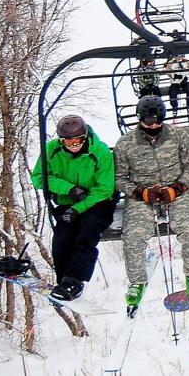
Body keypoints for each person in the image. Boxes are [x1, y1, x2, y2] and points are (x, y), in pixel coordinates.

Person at [114, 95, 189, 307]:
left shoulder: (178, 137)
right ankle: (137, 281)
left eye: (158, 121)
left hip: (175, 192)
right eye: (149, 122)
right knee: (134, 235)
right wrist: (139, 192)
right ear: (140, 119)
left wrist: (179, 187)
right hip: (143, 195)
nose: (154, 125)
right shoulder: (126, 144)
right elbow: (119, 178)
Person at [30, 115, 117, 301]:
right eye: (68, 141)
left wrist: (79, 207)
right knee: (62, 238)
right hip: (67, 201)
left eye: (77, 140)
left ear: (85, 137)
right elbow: (39, 178)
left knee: (86, 233)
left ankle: (75, 280)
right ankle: (63, 283)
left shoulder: (100, 152)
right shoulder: (51, 151)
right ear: (61, 141)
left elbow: (105, 188)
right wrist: (68, 189)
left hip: (96, 202)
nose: (73, 144)